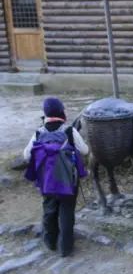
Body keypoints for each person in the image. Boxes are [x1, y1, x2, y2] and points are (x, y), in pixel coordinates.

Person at [23, 97, 89, 257]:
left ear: (45, 113)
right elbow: (85, 150)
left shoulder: (39, 132)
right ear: (61, 111)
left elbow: (26, 155)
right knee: (66, 211)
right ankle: (66, 247)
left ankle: (50, 242)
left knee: (49, 209)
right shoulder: (69, 131)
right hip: (67, 180)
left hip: (46, 180)